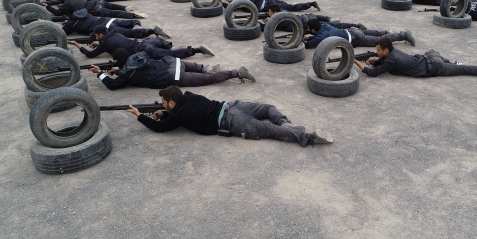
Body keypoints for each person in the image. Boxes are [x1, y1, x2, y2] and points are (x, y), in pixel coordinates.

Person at [124, 86, 333, 147]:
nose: (161, 105)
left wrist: (139, 115)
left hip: (231, 122)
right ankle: (287, 123)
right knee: (269, 108)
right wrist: (162, 112)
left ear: (171, 102)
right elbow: (175, 113)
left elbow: (161, 127)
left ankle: (307, 138)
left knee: (271, 131)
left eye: (163, 102)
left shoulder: (177, 115)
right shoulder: (189, 96)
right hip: (232, 105)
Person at [89, 48, 257, 90]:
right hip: (174, 62)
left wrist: (100, 74)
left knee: (207, 80)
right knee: (202, 70)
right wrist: (118, 70)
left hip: (173, 76)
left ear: (118, 61)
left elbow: (113, 86)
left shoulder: (126, 73)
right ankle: (205, 67)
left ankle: (236, 73)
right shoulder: (136, 56)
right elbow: (139, 69)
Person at [354, 37, 477, 78]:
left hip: (434, 67)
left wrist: (355, 61)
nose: (376, 51)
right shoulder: (392, 54)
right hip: (430, 55)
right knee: (448, 61)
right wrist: (374, 60)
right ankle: (452, 62)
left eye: (378, 50)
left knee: (464, 69)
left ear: (387, 50)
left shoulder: (390, 59)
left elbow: (372, 73)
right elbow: (382, 63)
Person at [70, 24, 213, 59]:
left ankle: (197, 50)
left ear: (101, 35)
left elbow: (90, 55)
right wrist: (99, 44)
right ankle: (170, 46)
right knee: (160, 43)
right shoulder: (114, 32)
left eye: (96, 36)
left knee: (172, 56)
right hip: (146, 42)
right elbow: (113, 44)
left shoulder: (104, 43)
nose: (95, 38)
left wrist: (78, 45)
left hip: (145, 50)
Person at [304, 18, 415, 49]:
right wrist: (309, 37)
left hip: (355, 38)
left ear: (313, 30)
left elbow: (308, 45)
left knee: (381, 40)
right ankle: (389, 32)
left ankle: (403, 35)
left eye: (309, 29)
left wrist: (302, 39)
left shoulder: (321, 36)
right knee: (376, 33)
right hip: (352, 30)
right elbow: (316, 36)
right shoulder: (324, 26)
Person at [263, 4, 364, 32]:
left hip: (307, 23)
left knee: (333, 26)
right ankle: (328, 18)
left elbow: (271, 27)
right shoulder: (284, 12)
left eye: (270, 13)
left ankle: (355, 26)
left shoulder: (279, 20)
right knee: (330, 22)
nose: (269, 14)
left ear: (275, 12)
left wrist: (269, 21)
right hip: (306, 16)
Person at [59, 8, 156, 36]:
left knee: (130, 33)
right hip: (109, 20)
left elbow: (62, 33)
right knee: (133, 22)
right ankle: (136, 25)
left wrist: (67, 23)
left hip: (108, 28)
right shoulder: (83, 12)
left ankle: (152, 31)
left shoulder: (71, 24)